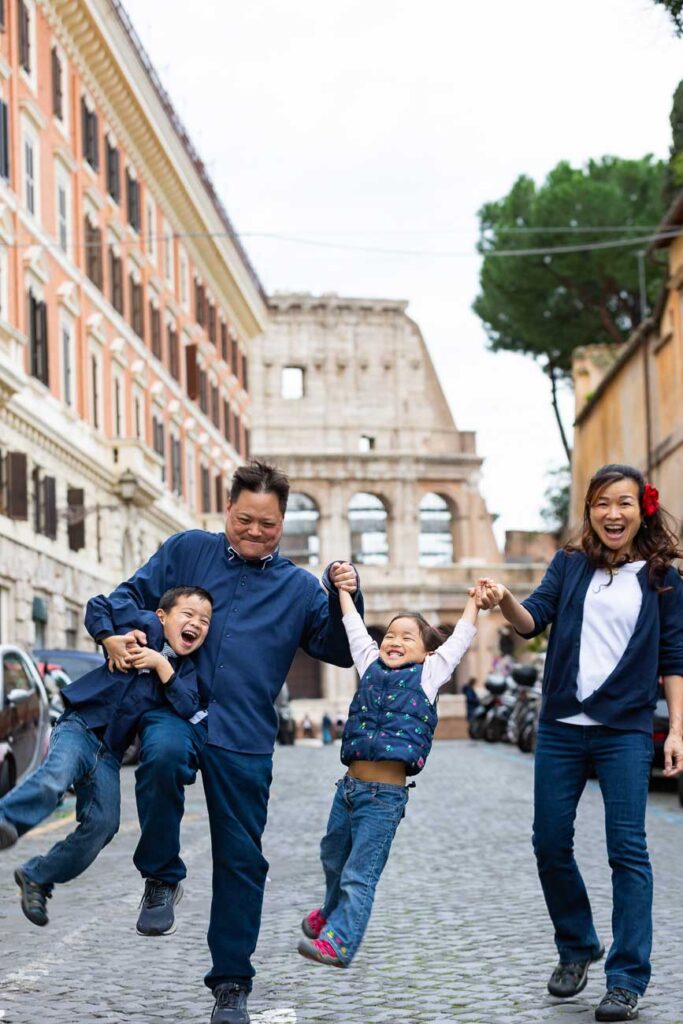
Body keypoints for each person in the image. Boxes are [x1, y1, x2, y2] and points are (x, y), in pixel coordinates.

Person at [84, 460, 362, 1024]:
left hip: (244, 735)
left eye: (268, 524)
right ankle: (161, 876)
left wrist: (344, 594)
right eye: (244, 520)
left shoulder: (300, 588)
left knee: (241, 861)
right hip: (176, 712)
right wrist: (114, 633)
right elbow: (128, 595)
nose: (255, 532)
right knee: (159, 758)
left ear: (283, 522)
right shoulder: (187, 550)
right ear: (227, 510)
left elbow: (337, 646)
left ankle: (231, 983)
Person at [475, 464, 683, 1023]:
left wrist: (679, 730)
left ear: (641, 510)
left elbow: (674, 659)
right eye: (601, 504)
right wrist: (504, 599)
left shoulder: (663, 577)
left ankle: (626, 978)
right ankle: (576, 944)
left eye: (623, 503)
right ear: (589, 510)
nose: (612, 514)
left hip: (625, 730)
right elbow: (531, 622)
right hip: (563, 726)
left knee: (627, 851)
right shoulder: (569, 565)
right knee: (548, 841)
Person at [0, 586, 212, 927]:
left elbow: (188, 704)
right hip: (79, 727)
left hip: (109, 754)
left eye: (205, 621)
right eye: (187, 614)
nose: (196, 624)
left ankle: (38, 876)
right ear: (162, 616)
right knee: (57, 775)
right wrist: (109, 638)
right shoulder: (144, 626)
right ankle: (6, 820)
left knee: (103, 825)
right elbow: (97, 604)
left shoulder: (183, 670)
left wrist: (161, 665)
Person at [298, 579, 479, 968]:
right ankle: (330, 913)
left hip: (384, 798)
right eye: (391, 635)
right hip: (347, 788)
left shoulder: (429, 675)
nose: (394, 641)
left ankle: (339, 943)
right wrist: (343, 591)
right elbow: (354, 627)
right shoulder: (368, 665)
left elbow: (460, 639)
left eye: (407, 638)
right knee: (332, 858)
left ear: (427, 651)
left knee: (359, 874)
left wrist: (474, 605)